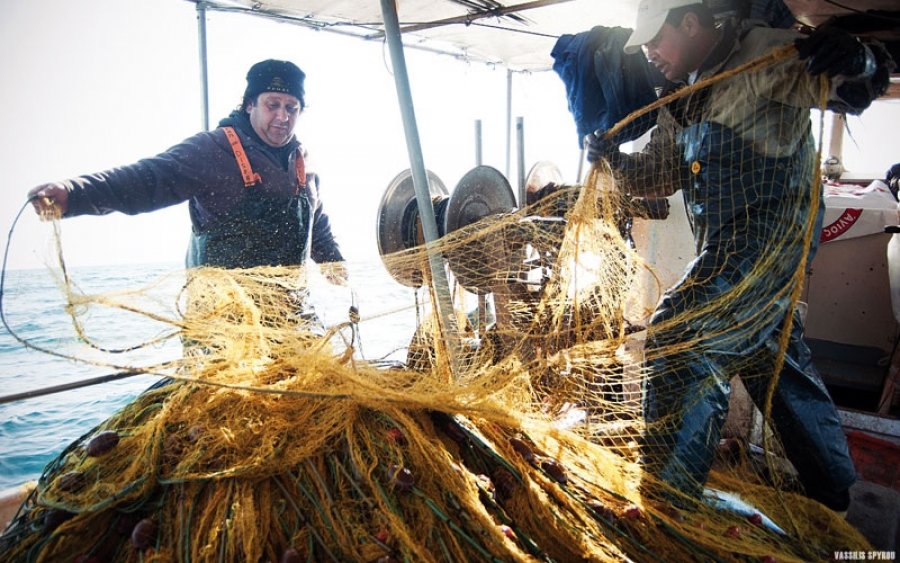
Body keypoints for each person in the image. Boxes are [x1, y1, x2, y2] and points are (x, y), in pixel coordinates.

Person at [587, 0, 894, 513]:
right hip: (727, 247)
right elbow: (660, 176)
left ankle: (667, 507)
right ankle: (833, 487)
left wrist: (858, 58)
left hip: (769, 241)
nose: (647, 52)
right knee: (772, 356)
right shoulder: (687, 93)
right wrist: (615, 161)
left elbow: (854, 89)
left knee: (683, 332)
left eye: (654, 38)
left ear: (689, 22)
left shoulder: (762, 54)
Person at [28, 59, 347, 283]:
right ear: (250, 104)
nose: (282, 116)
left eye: (292, 108)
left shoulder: (304, 165)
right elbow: (148, 179)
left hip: (291, 321)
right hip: (223, 330)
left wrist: (332, 261)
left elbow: (314, 223)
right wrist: (74, 193)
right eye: (272, 104)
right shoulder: (212, 150)